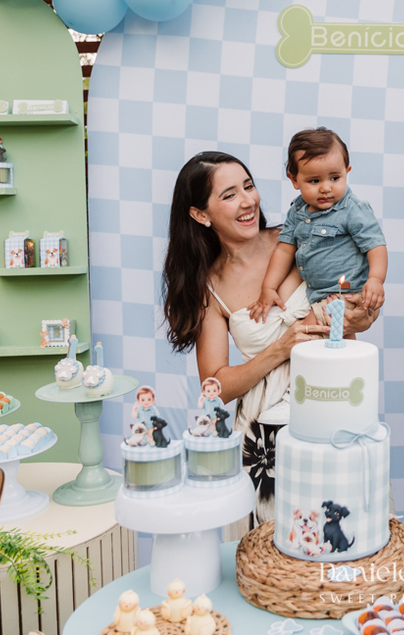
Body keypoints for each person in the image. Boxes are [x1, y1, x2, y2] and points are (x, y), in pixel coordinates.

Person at [161, 151, 377, 526]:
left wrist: (361, 311)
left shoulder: (301, 238)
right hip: (265, 437)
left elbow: (355, 303)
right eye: (229, 195)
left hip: (333, 403)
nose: (248, 201)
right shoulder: (208, 288)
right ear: (200, 214)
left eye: (248, 186)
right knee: (277, 548)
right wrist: (281, 348)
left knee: (349, 530)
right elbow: (216, 388)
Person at [249, 127, 387, 327]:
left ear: (347, 172)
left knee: (310, 330)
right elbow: (284, 250)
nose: (325, 188)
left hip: (347, 291)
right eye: (314, 181)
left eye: (335, 178)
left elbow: (375, 245)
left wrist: (376, 279)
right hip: (317, 294)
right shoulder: (297, 212)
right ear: (294, 179)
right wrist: (268, 287)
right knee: (339, 339)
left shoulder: (352, 209)